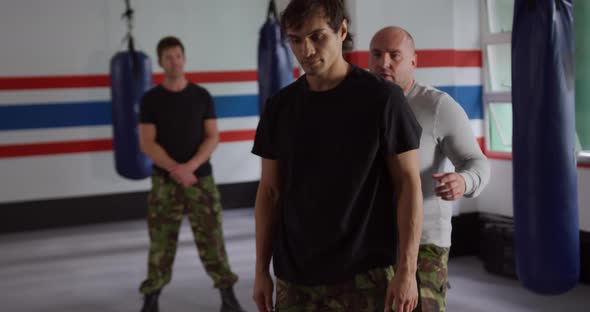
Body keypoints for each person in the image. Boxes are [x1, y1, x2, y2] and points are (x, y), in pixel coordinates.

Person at [251, 1, 424, 311]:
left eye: (317, 36)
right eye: (295, 39)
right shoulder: (279, 107)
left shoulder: (382, 99)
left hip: (363, 274)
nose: (305, 49)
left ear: (342, 30)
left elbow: (408, 185)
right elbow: (270, 191)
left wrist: (407, 271)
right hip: (295, 276)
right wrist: (261, 269)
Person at [369, 26, 491, 312]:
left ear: (413, 61)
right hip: (371, 242)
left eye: (394, 55)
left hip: (424, 243)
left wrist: (464, 181)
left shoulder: (436, 106)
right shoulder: (361, 104)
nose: (383, 63)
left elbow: (478, 162)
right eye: (376, 54)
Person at [137, 36, 246, 312]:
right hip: (165, 182)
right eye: (168, 57)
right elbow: (147, 142)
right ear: (160, 62)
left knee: (213, 238)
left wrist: (191, 167)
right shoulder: (151, 99)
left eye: (177, 56)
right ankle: (151, 299)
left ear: (184, 59)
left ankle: (227, 297)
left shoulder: (201, 96)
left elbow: (212, 137)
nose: (174, 61)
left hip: (200, 179)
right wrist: (176, 169)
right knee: (161, 242)